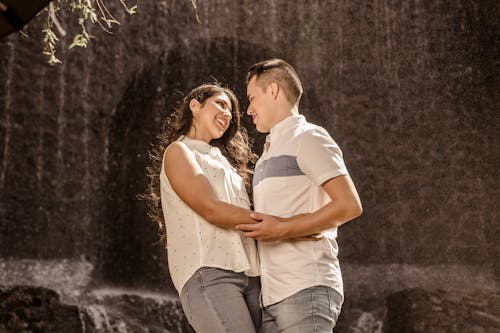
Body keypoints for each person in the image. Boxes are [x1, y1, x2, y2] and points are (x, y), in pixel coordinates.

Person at [236, 59, 363, 332]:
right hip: (271, 296)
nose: (248, 110)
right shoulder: (267, 153)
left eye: (252, 98)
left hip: (306, 286)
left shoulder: (309, 138)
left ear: (273, 91)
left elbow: (349, 205)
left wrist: (284, 228)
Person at [145, 83, 261, 333]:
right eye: (220, 104)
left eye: (231, 112)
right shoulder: (179, 151)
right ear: (195, 106)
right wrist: (284, 225)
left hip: (250, 275)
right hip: (209, 272)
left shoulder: (226, 163)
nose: (228, 114)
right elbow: (212, 209)